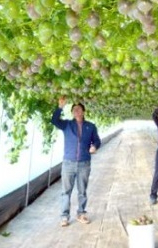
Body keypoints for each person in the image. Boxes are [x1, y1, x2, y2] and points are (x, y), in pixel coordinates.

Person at [51, 96, 101, 227]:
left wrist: (94, 146)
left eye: (78, 109)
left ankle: (81, 213)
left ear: (83, 112)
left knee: (82, 190)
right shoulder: (67, 124)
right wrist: (60, 107)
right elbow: (54, 120)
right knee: (65, 191)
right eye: (74, 109)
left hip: (84, 163)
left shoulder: (90, 126)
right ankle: (64, 216)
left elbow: (97, 140)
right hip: (68, 163)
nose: (76, 111)